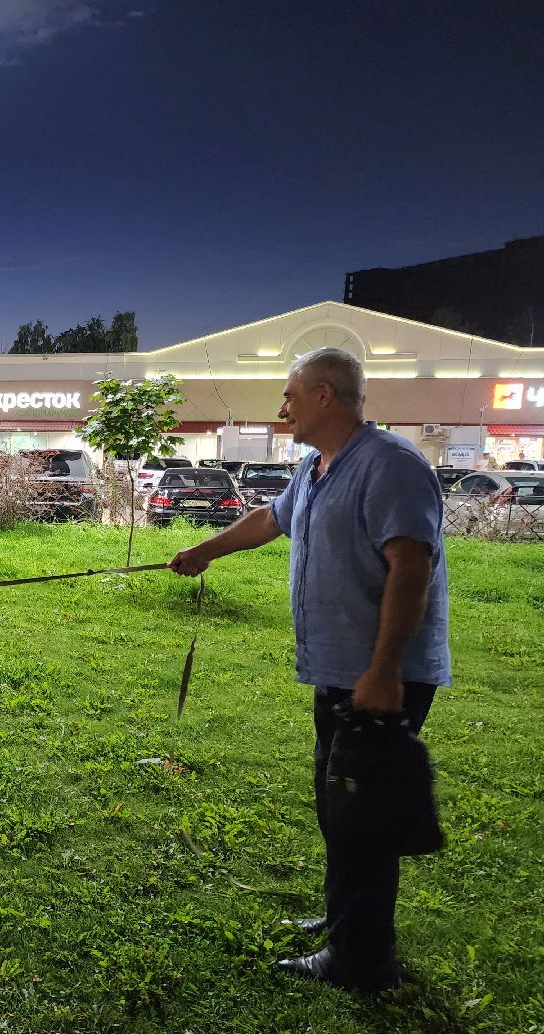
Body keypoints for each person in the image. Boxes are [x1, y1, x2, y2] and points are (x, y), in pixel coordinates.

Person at [169, 347, 450, 993]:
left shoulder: (391, 466)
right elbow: (272, 518)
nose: (282, 407)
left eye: (291, 395)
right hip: (341, 669)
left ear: (326, 395)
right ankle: (346, 920)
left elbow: (412, 567)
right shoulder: (317, 468)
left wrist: (383, 672)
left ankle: (361, 961)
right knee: (340, 807)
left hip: (378, 676)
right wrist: (205, 551)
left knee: (362, 815)